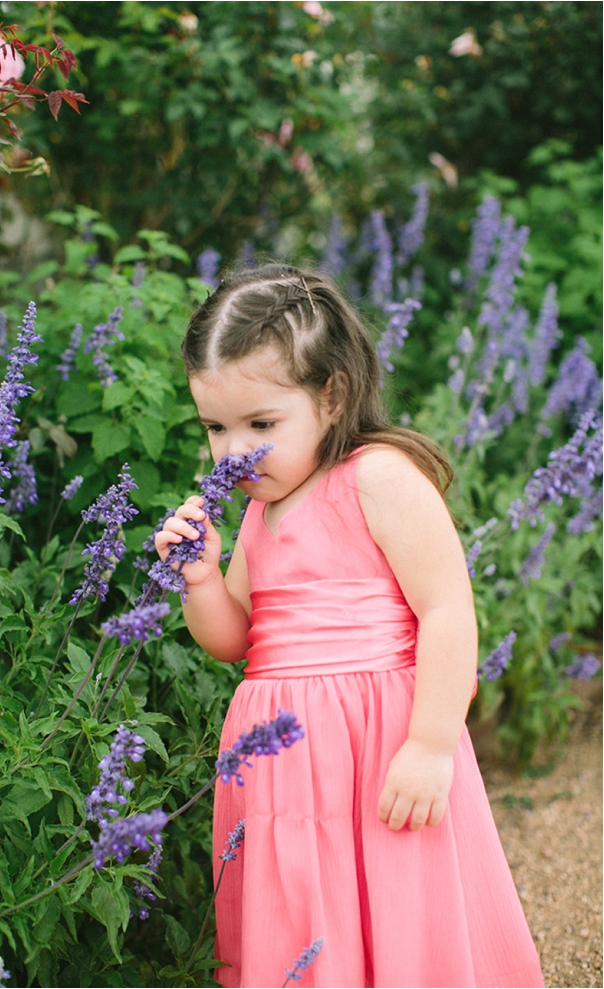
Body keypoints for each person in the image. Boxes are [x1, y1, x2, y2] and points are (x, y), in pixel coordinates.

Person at [155, 264, 545, 989]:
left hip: (378, 746)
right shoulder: (258, 511)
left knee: (394, 898)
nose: (232, 451)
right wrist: (203, 578)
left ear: (330, 395)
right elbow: (238, 641)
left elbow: (447, 608)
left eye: (261, 424)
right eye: (215, 426)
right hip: (281, 769)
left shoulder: (377, 477)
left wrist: (430, 744)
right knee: (305, 915)